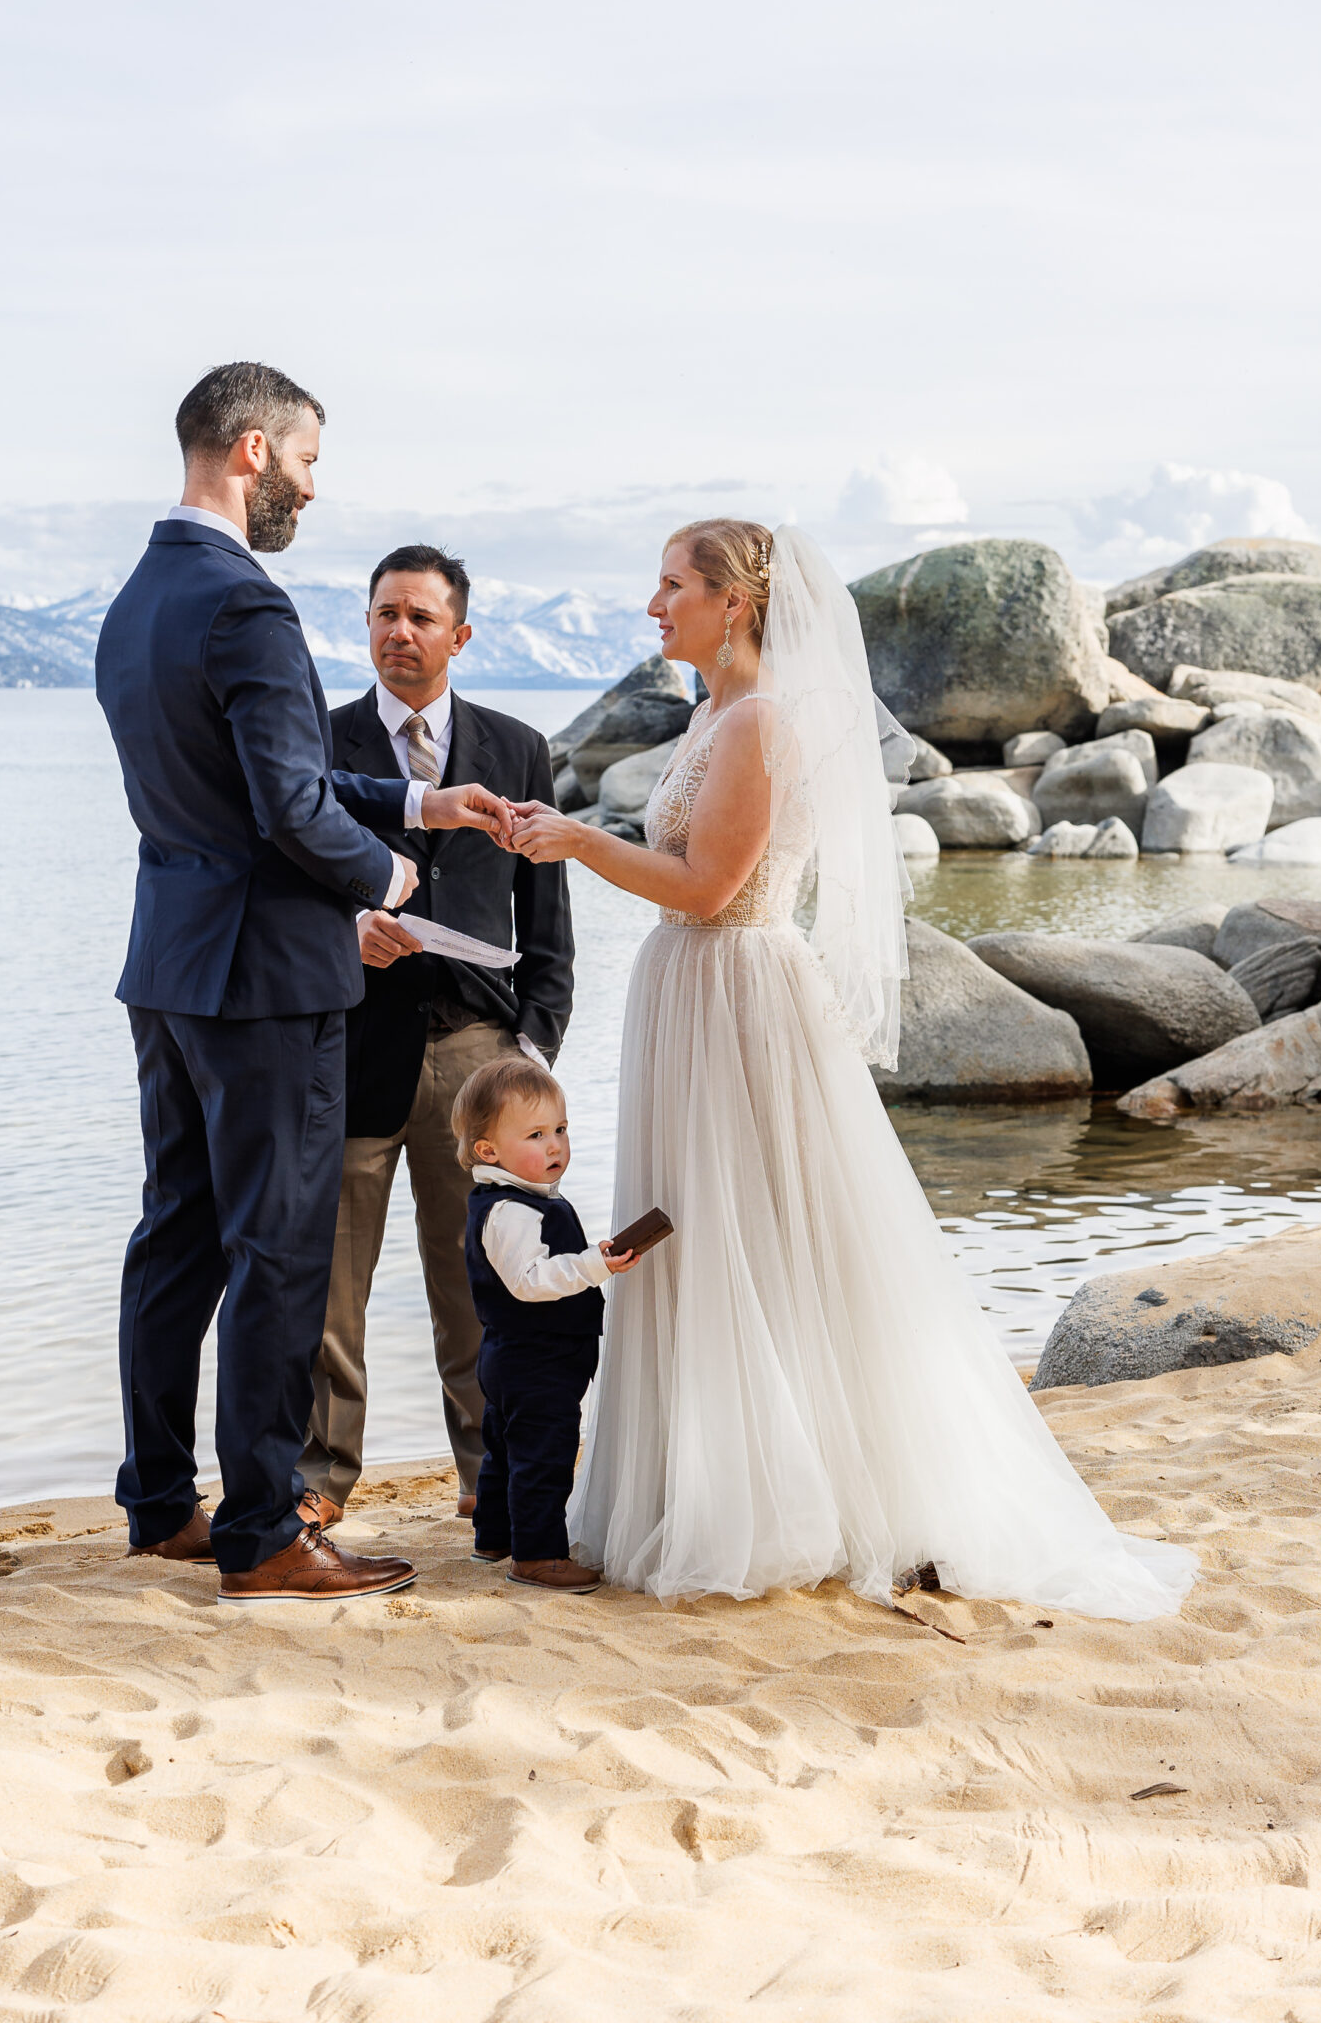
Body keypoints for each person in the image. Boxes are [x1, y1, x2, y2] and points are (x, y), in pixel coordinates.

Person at [509, 518, 1198, 1622]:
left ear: (733, 603)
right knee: (696, 1224)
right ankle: (717, 1476)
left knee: (756, 1228)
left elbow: (710, 886)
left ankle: (794, 1496)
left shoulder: (765, 721)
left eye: (671, 584)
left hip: (737, 991)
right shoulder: (711, 713)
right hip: (690, 990)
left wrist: (577, 842)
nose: (653, 604)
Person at [94, 361, 514, 1605]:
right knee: (278, 1249)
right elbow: (285, 806)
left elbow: (231, 786)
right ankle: (267, 1529)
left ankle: (161, 1501)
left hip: (168, 967)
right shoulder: (249, 606)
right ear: (254, 454)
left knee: (175, 1235)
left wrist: (411, 796)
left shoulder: (137, 599)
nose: (314, 490)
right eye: (310, 461)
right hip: (270, 979)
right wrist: (391, 875)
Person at [300, 545, 576, 1529]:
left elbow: (548, 930)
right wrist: (341, 932)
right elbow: (279, 890)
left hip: (480, 1060)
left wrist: (530, 1058)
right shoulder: (314, 744)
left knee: (484, 1282)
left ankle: (486, 1475)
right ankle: (319, 1481)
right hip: (347, 1045)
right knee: (329, 1281)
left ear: (460, 633)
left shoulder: (519, 748)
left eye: (419, 616)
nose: (398, 632)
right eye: (383, 613)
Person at [451, 1054, 638, 1593]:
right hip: (536, 1358)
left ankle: (495, 1537)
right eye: (536, 1135)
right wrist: (594, 1265)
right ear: (488, 1151)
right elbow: (529, 1281)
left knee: (506, 1450)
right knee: (544, 1455)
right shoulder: (511, 1211)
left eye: (561, 1129)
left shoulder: (522, 1199)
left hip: (516, 1354)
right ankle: (537, 1556)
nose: (555, 1145)